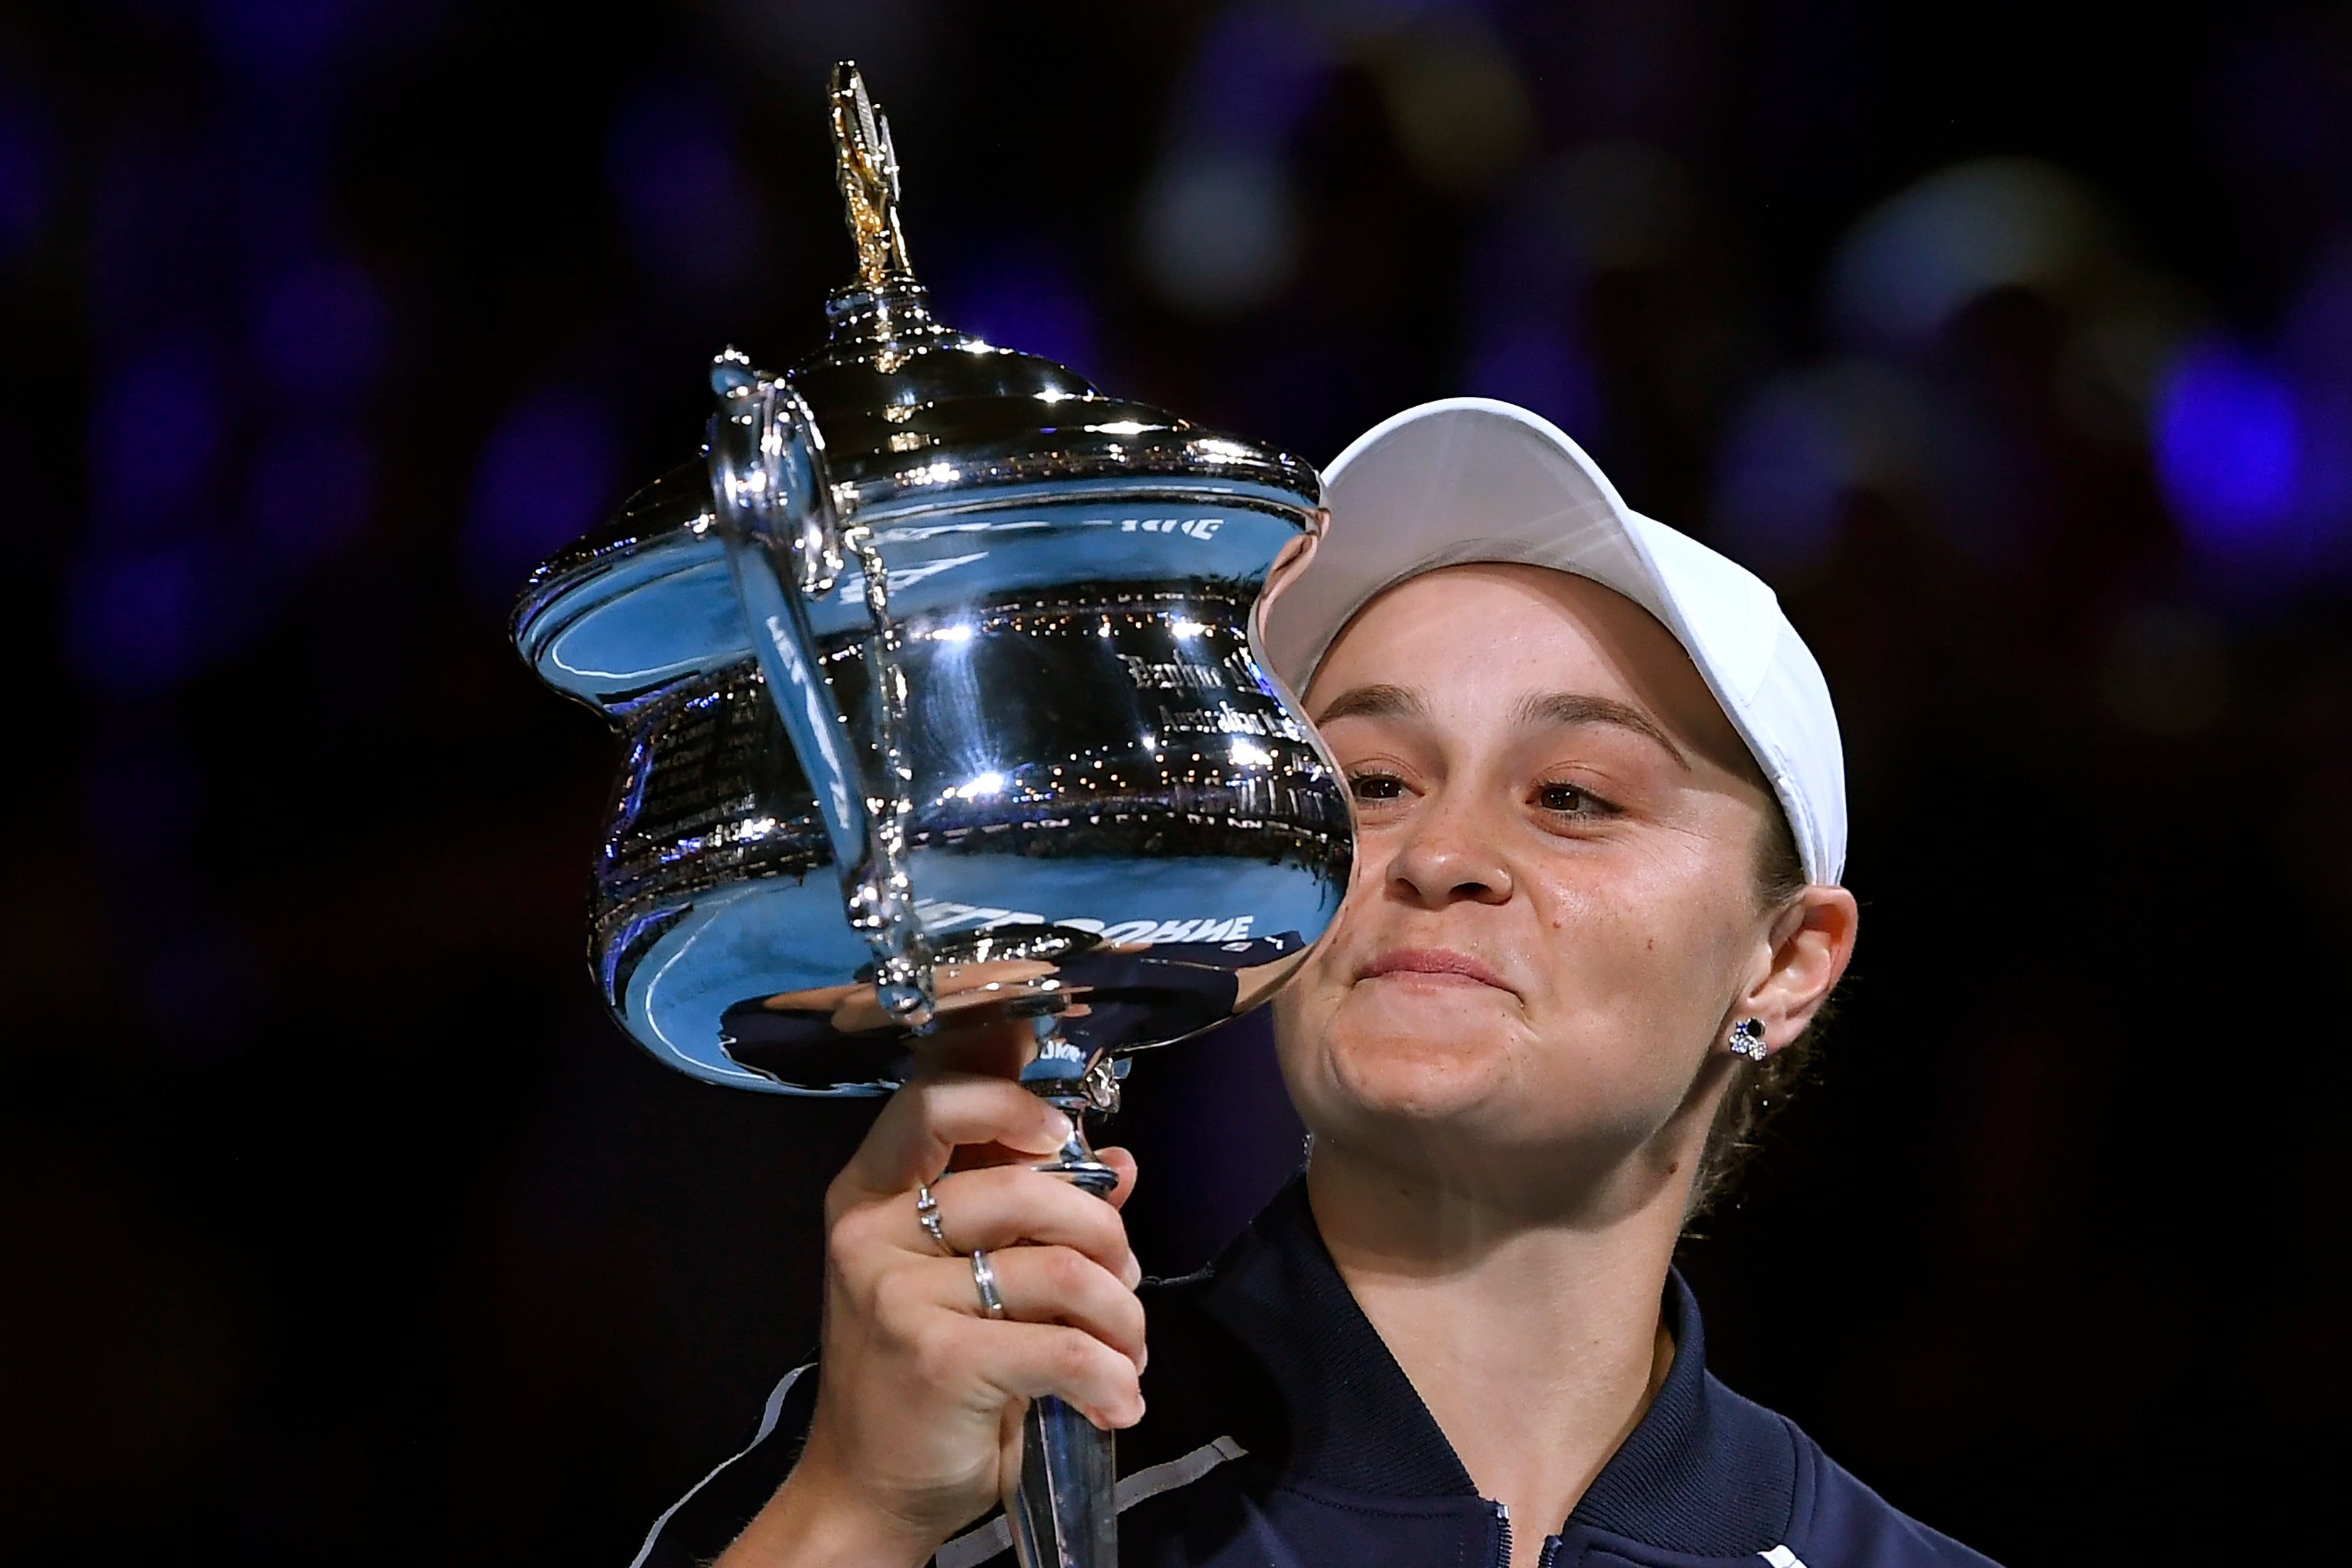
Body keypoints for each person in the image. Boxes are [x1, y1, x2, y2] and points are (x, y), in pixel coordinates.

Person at [631, 399, 1999, 1568]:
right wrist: (856, 1511)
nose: (1442, 855)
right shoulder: (949, 1455)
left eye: (1574, 795)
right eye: (1372, 785)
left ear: (1788, 959)